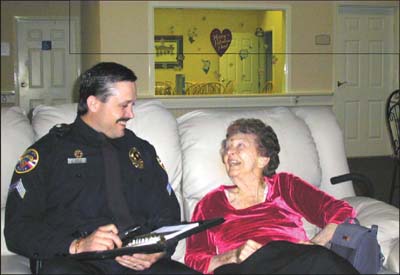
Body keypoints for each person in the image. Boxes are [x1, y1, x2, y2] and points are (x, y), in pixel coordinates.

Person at [4, 62, 198, 274]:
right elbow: (18, 230)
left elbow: (167, 212)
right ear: (93, 103)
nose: (131, 114)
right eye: (124, 106)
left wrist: (159, 249)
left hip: (140, 262)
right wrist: (77, 245)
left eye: (133, 105)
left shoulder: (141, 150)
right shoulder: (49, 153)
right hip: (77, 262)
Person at [185, 118, 359, 274]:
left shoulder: (285, 186)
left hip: (295, 259)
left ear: (263, 159)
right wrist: (233, 256)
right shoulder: (210, 204)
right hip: (244, 268)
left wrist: (317, 243)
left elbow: (341, 211)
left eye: (240, 146)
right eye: (228, 147)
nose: (230, 152)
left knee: (321, 259)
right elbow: (194, 260)